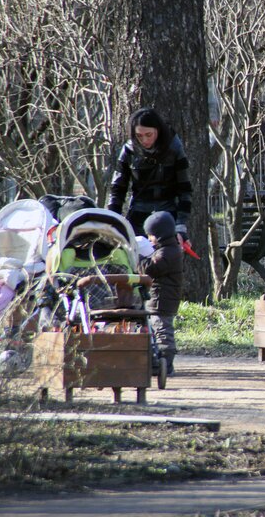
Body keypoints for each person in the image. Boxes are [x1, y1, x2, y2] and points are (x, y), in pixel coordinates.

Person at [107, 108, 193, 247]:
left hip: (167, 218)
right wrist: (112, 220)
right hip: (138, 216)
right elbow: (117, 188)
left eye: (149, 134)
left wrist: (180, 225)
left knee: (166, 261)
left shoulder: (174, 148)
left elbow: (185, 190)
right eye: (139, 136)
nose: (145, 140)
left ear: (158, 131)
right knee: (137, 261)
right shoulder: (129, 150)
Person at [139, 211, 184, 375]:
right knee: (156, 330)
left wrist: (139, 259)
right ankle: (157, 361)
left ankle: (166, 362)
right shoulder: (166, 250)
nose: (149, 239)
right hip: (161, 298)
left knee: (162, 331)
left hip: (162, 300)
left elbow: (151, 269)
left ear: (160, 235)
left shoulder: (168, 253)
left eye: (150, 236)